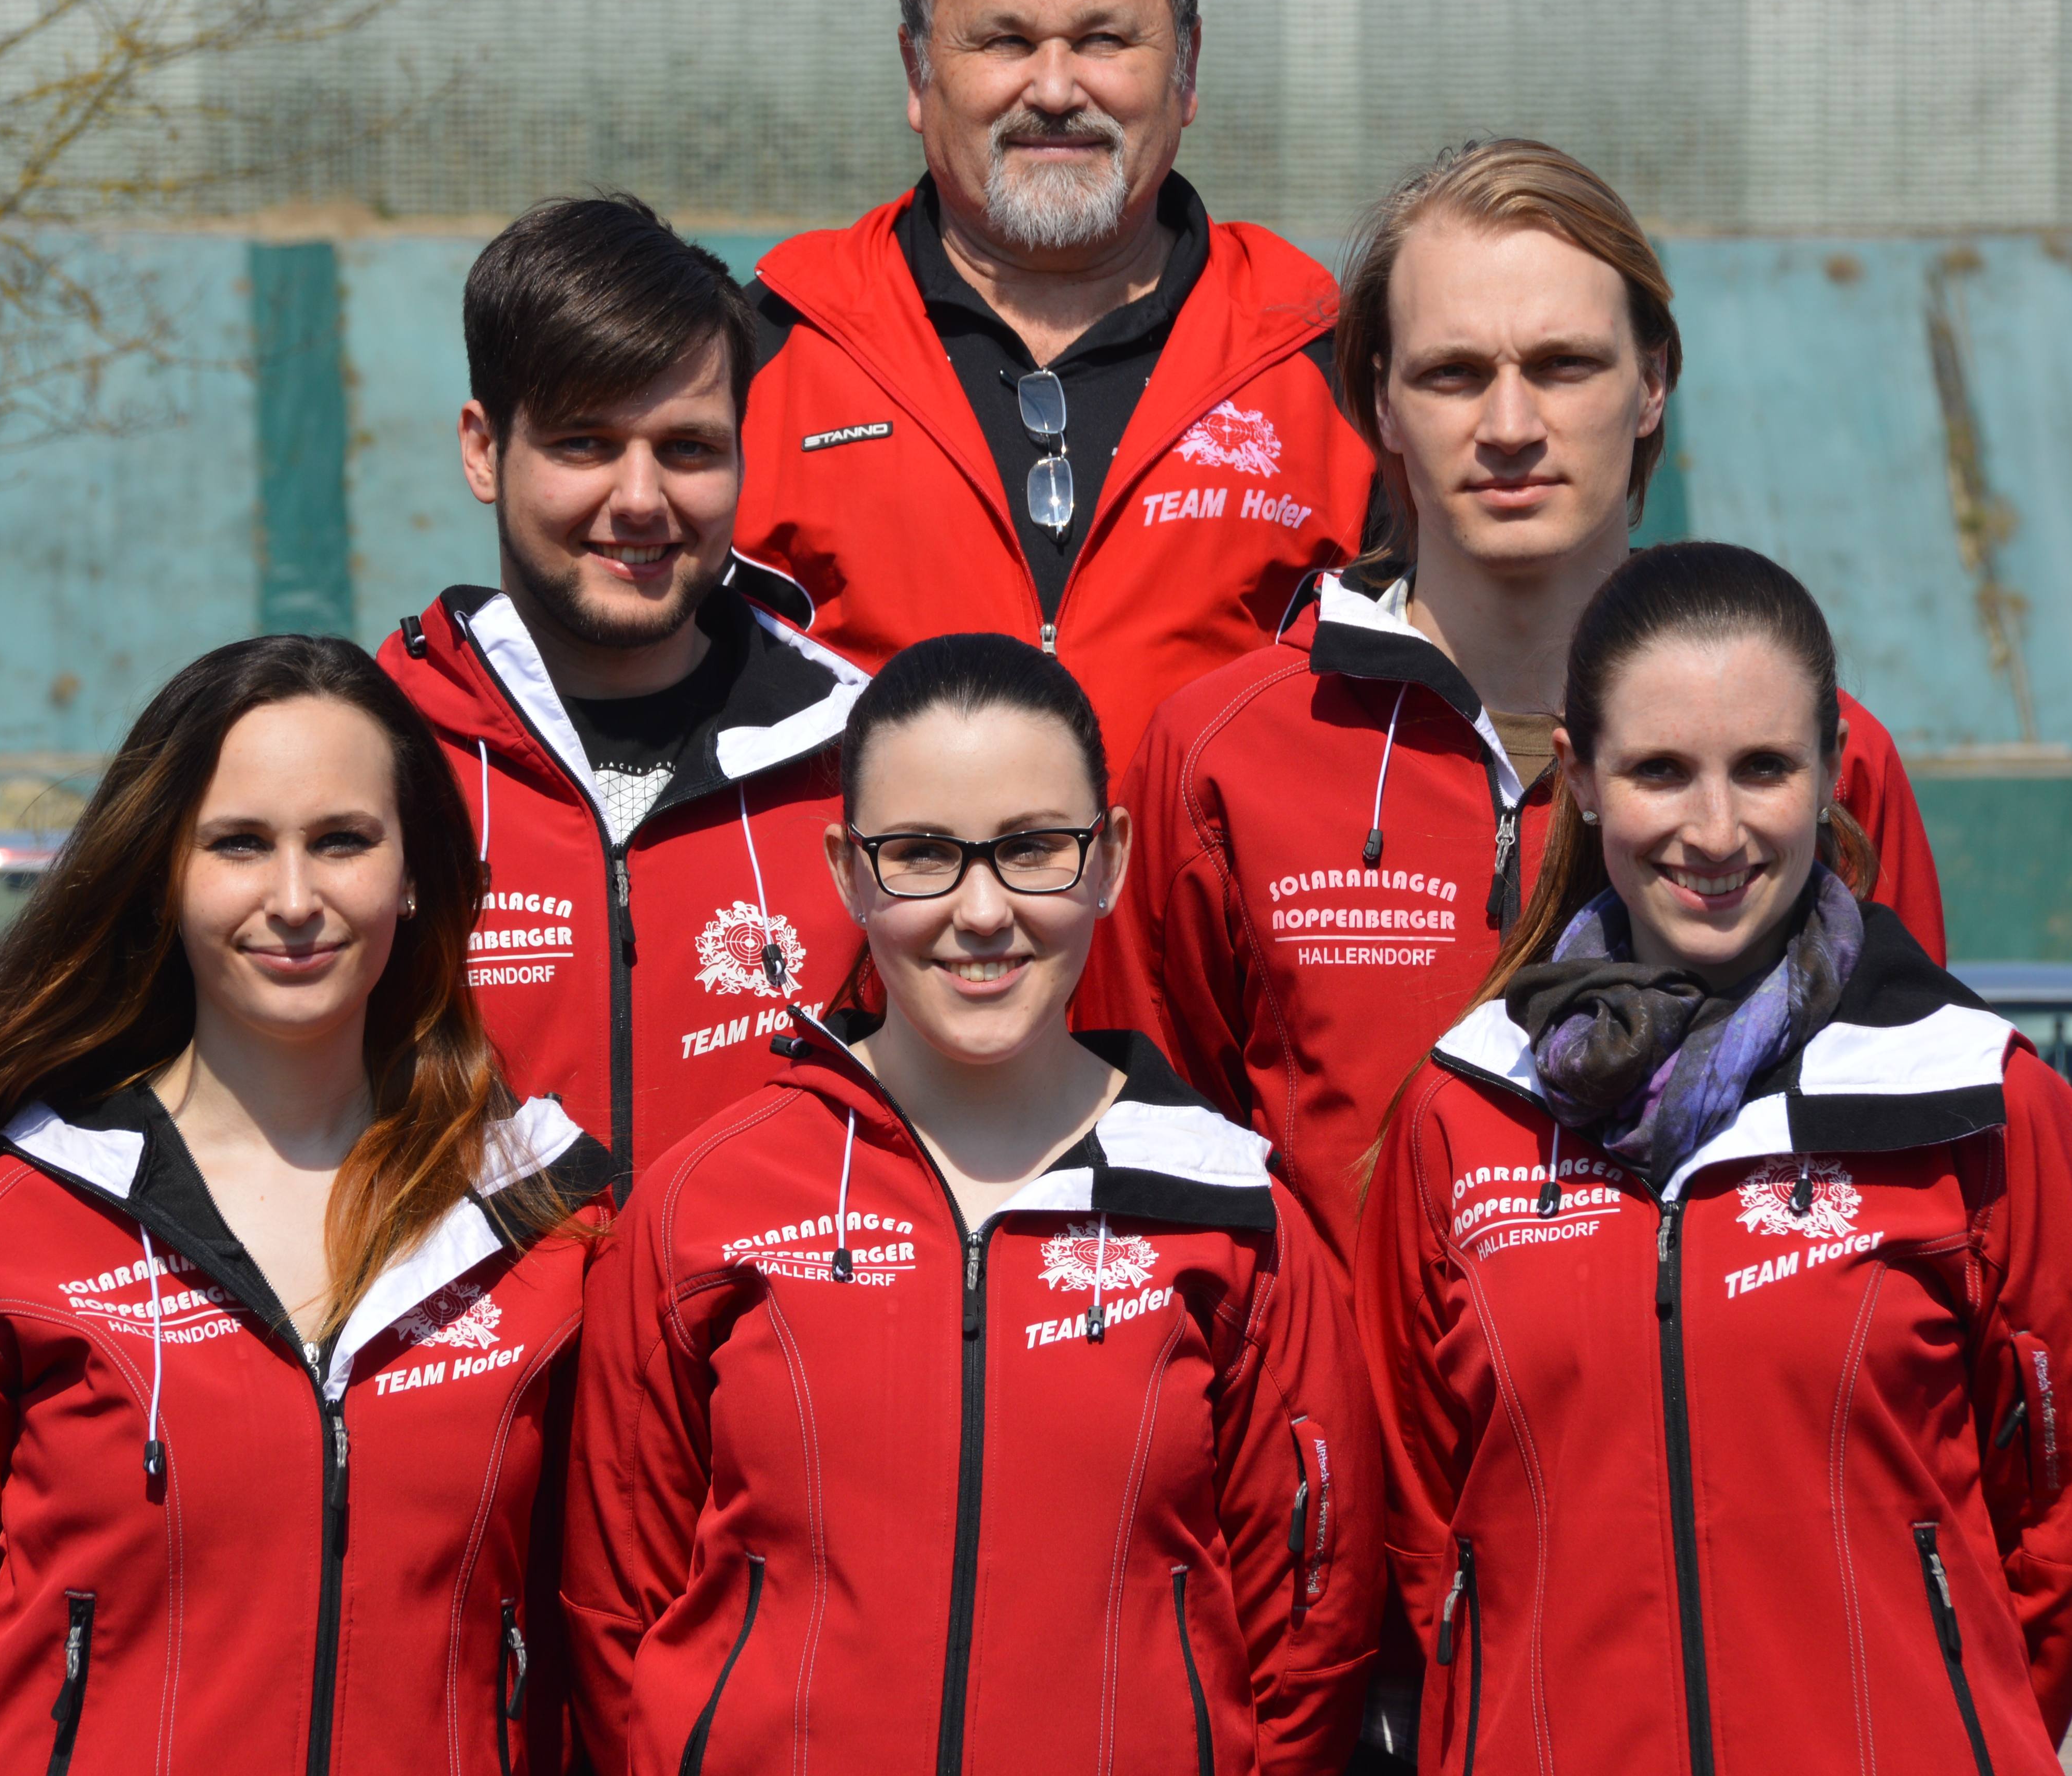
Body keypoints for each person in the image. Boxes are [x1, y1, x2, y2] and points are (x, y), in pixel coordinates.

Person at [1078, 138, 1947, 1262]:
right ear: (1378, 400)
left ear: (1652, 382)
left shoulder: (1823, 761)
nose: (1507, 426)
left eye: (1561, 365)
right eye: (1451, 374)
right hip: (1343, 1438)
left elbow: (1912, 1167)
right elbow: (1154, 1177)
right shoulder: (1217, 758)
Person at [0, 637, 612, 1776]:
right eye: (240, 844)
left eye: (343, 840)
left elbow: (617, 1619)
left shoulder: (549, 1222)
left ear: (415, 871)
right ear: (164, 870)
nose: (296, 898)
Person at [1359, 543, 2072, 1776]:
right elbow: (1425, 1532)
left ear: (1831, 771)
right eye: (1660, 770)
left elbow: (2068, 1534)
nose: (1713, 830)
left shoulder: (1978, 1103)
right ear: (1583, 777)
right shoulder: (1463, 1108)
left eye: (1762, 767)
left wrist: (1934, 1726)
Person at [562, 636, 1382, 1776]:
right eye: (921, 855)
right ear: (846, 869)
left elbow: (1307, 1632)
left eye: (1033, 848)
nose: (982, 910)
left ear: (1110, 858)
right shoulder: (706, 1202)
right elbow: (617, 1611)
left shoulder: (1233, 1213)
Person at [735, 0, 1378, 768]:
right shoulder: (765, 351)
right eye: (1003, 41)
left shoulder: (1332, 363)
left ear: (1187, 68)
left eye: (1104, 40)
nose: (1054, 89)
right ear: (918, 73)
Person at [382, 196, 868, 1181]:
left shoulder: (870, 761)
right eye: (585, 445)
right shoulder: (363, 759)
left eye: (687, 448)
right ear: (484, 450)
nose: (641, 500)